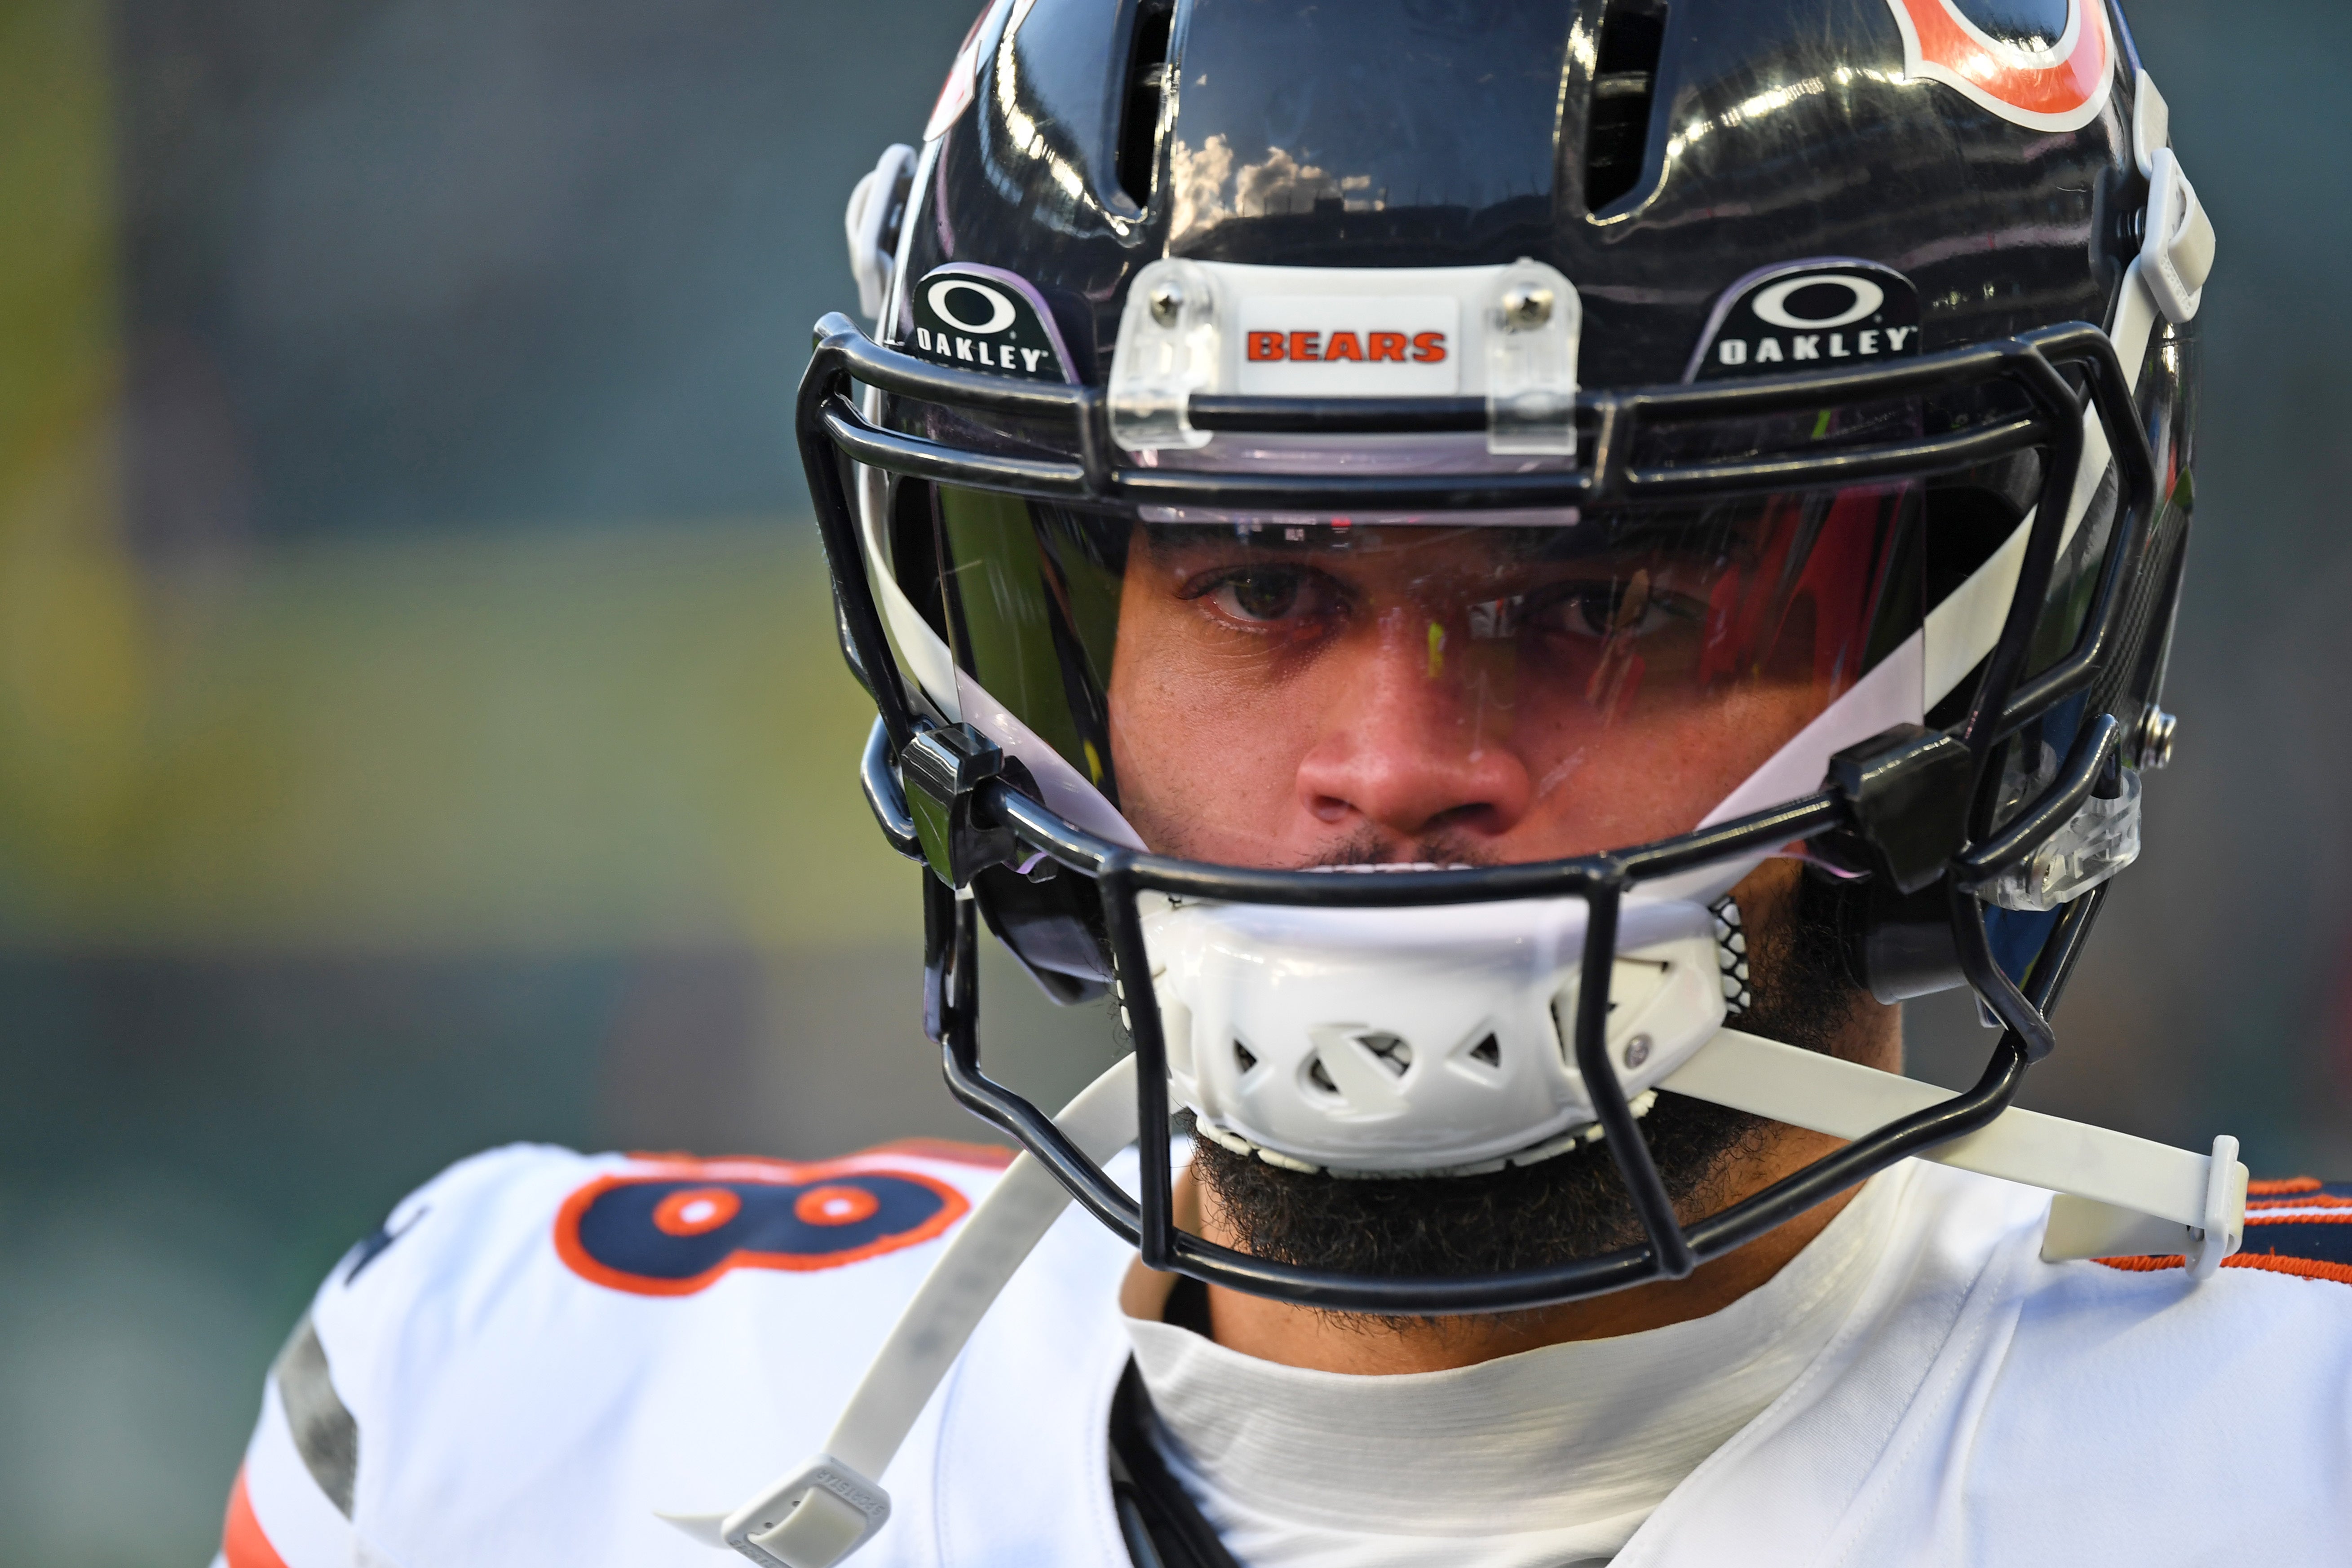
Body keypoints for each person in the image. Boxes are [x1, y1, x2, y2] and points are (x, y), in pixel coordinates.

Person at [216, 2, 2352, 1566]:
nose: (1395, 769)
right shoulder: (502, 1432)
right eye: (1258, 580)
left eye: (1611, 596)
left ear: (2006, 644)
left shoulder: (2294, 1456)